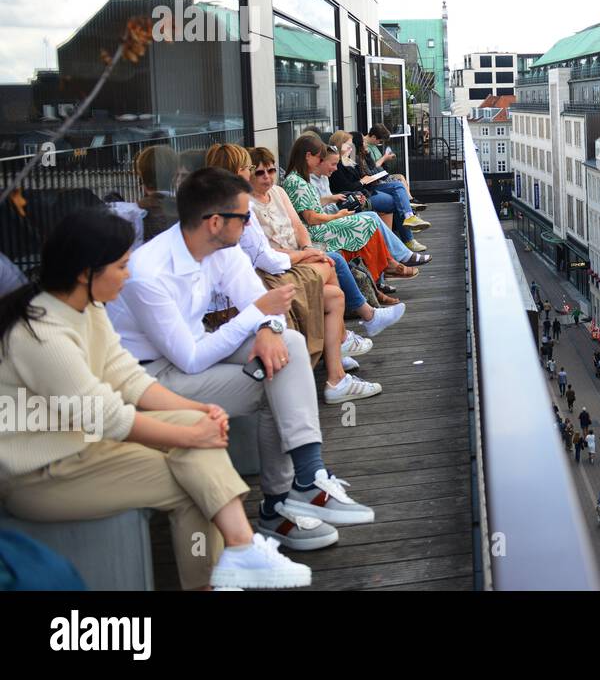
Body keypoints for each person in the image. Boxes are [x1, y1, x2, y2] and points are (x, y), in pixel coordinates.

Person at [0, 207, 313, 589]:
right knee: (194, 484)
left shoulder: (85, 306)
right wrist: (191, 435)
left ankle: (239, 551)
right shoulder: (41, 334)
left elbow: (127, 377)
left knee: (197, 439)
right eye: (120, 266)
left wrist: (199, 412)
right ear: (86, 273)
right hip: (41, 475)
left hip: (87, 448)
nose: (128, 275)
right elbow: (106, 415)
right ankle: (218, 573)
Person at [107, 166, 376, 546]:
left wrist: (268, 328)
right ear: (215, 222)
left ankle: (307, 475)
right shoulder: (148, 273)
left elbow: (267, 310)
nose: (251, 224)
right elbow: (191, 359)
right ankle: (280, 504)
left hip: (195, 348)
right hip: (149, 378)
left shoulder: (222, 248)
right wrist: (258, 317)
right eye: (244, 217)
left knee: (290, 348)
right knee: (276, 381)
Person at [206, 144, 380, 404]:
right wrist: (304, 254)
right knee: (328, 265)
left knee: (332, 293)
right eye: (252, 170)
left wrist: (305, 250)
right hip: (250, 290)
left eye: (269, 170)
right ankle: (342, 352)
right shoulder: (238, 206)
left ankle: (338, 371)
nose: (261, 175)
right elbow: (264, 258)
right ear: (239, 172)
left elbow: (292, 230)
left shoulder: (217, 202)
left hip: (251, 283)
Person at [246, 146, 406, 335]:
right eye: (260, 173)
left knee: (367, 221)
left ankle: (382, 278)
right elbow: (309, 219)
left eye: (271, 170)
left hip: (301, 248)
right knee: (356, 233)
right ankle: (380, 286)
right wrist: (334, 219)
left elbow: (298, 226)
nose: (267, 176)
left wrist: (307, 247)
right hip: (287, 256)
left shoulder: (279, 191)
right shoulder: (250, 203)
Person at [281, 134, 411, 289]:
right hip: (315, 232)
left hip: (318, 227)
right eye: (319, 158)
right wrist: (337, 216)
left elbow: (309, 206)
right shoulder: (297, 182)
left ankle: (385, 269)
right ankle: (389, 264)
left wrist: (331, 199)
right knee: (369, 220)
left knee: (369, 219)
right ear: (308, 156)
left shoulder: (299, 178)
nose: (320, 162)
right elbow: (310, 218)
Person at [315, 143, 430, 269]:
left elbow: (339, 194)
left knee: (397, 189)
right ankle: (401, 253)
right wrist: (345, 200)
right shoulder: (318, 178)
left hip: (358, 197)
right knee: (386, 207)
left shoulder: (328, 175)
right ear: (319, 161)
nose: (351, 148)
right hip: (331, 220)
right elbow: (321, 208)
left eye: (352, 144)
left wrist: (350, 197)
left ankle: (395, 258)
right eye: (347, 145)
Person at [344, 131, 429, 238]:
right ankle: (407, 234)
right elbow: (367, 175)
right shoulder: (353, 160)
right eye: (363, 141)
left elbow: (373, 169)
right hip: (367, 191)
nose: (365, 142)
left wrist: (368, 155)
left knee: (398, 185)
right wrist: (366, 179)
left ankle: (409, 215)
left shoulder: (362, 155)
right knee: (397, 195)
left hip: (371, 186)